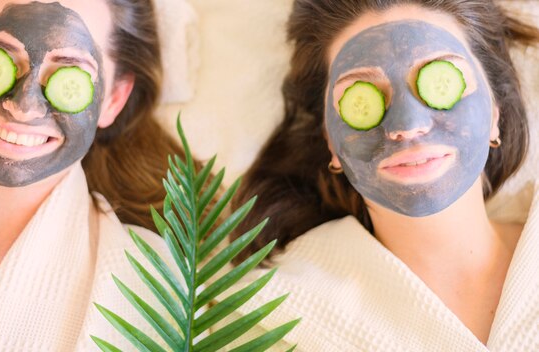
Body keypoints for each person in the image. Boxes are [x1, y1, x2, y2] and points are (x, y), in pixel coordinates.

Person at [229, 0, 539, 350]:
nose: (408, 126)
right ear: (330, 140)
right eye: (363, 97)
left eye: (439, 81)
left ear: (496, 112)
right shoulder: (272, 315)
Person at [0, 0, 182, 350]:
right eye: (2, 61)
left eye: (67, 76)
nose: (24, 108)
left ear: (113, 99)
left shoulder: (156, 292)